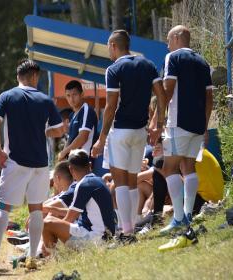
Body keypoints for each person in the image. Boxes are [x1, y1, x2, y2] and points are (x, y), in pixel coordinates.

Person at [0, 59, 64, 270]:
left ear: (18, 76)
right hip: (40, 163)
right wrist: (43, 131)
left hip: (15, 160)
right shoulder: (45, 100)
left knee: (3, 207)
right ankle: (32, 258)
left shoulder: (8, 96)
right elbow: (59, 131)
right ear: (35, 76)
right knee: (36, 210)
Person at [91, 30, 166, 244]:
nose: (109, 52)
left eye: (108, 48)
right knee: (132, 181)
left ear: (114, 45)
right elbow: (161, 96)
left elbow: (111, 106)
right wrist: (158, 126)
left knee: (121, 182)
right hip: (140, 131)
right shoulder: (148, 65)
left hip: (120, 131)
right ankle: (130, 228)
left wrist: (101, 138)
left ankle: (126, 233)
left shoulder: (113, 69)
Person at [157, 25, 214, 234]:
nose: (167, 44)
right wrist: (205, 127)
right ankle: (188, 214)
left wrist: (158, 121)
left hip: (177, 123)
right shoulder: (203, 61)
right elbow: (210, 98)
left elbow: (167, 90)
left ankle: (179, 218)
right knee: (188, 168)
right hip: (197, 125)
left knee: (168, 168)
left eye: (169, 39)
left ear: (178, 38)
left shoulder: (172, 58)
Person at [41, 150, 115, 255]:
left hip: (96, 239)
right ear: (90, 165)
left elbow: (69, 218)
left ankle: (49, 257)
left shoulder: (83, 184)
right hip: (104, 236)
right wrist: (48, 209)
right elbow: (73, 212)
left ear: (70, 169)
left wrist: (48, 238)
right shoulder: (98, 180)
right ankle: (50, 253)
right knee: (53, 218)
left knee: (46, 223)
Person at [58, 80, 98, 159]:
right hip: (73, 161)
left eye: (74, 95)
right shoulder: (72, 115)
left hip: (85, 161)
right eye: (68, 96)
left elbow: (82, 138)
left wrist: (64, 152)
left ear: (82, 94)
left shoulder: (86, 110)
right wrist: (63, 155)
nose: (71, 99)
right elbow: (70, 139)